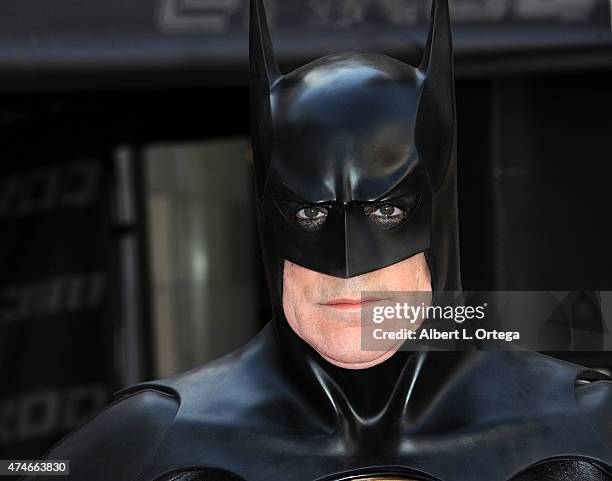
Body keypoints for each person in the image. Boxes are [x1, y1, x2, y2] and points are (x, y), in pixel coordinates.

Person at [24, 0, 612, 480]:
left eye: (385, 209)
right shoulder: (150, 437)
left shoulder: (589, 427)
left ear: (439, 217)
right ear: (267, 220)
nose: (348, 268)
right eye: (308, 212)